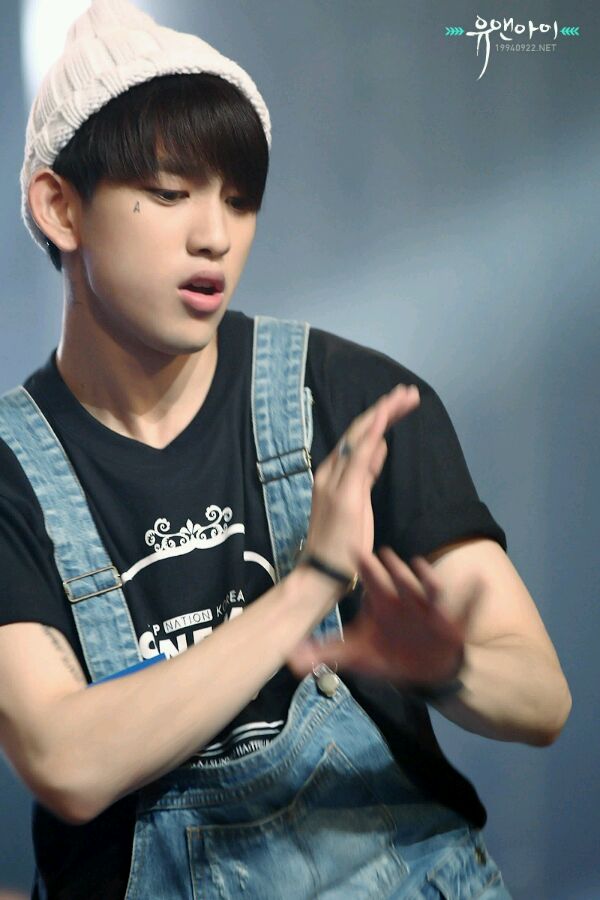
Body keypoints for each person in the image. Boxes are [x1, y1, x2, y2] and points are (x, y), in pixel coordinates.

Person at [0, 1, 571, 897]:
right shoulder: (13, 473)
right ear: (58, 206)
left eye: (238, 200)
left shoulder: (351, 402)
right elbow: (66, 761)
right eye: (170, 193)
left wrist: (449, 669)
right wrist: (310, 587)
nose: (215, 236)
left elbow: (542, 699)